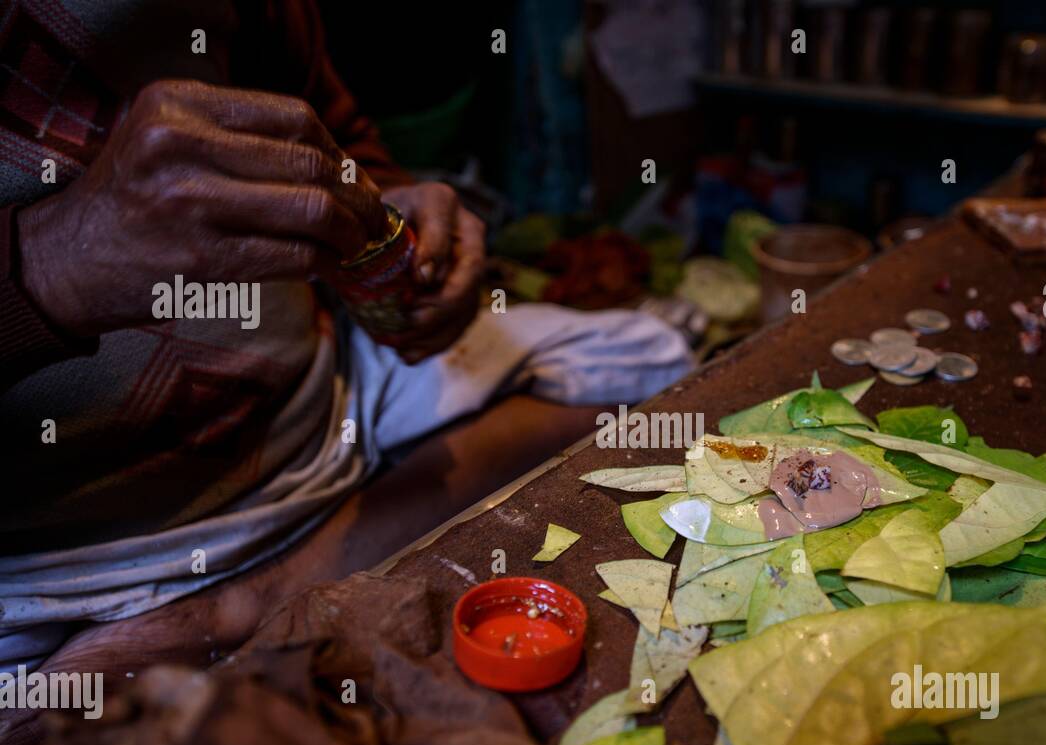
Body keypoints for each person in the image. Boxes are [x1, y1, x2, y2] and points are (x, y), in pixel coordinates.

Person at [0, 1, 690, 676]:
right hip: (60, 557)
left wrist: (386, 207)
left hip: (330, 401)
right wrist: (49, 263)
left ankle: (248, 601)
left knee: (653, 359)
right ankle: (251, 596)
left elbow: (329, 132)